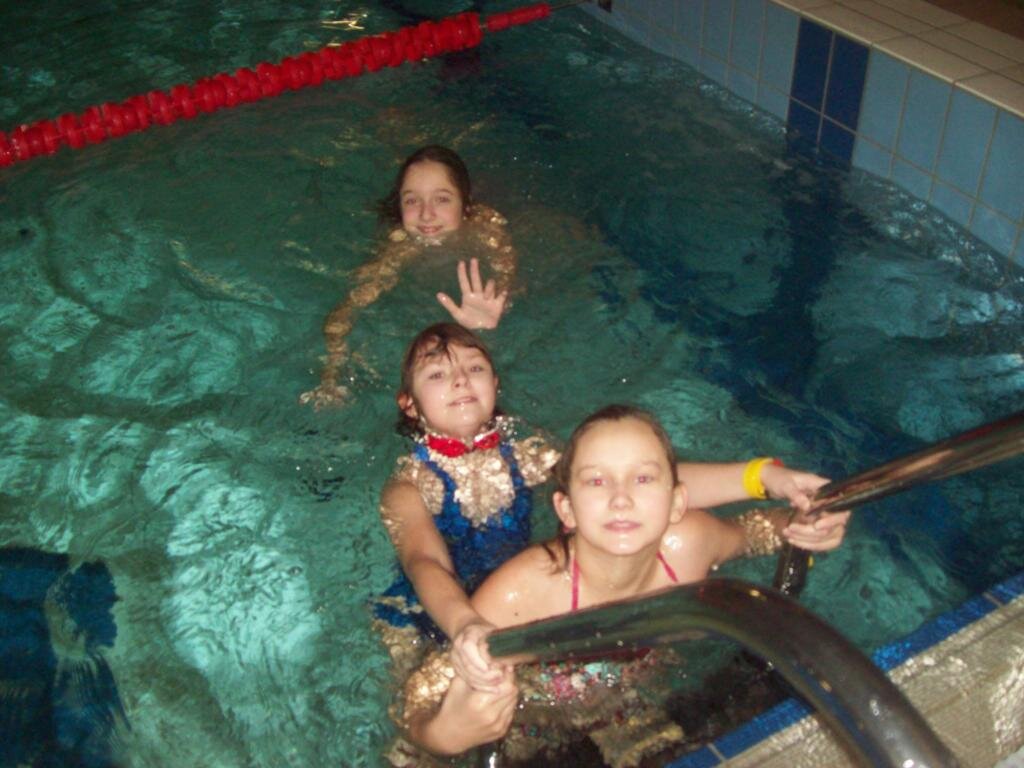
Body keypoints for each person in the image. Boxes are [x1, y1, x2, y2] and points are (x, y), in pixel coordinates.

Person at [370, 325, 837, 702]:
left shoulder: (526, 453)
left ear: (496, 384)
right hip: (431, 613)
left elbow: (636, 481)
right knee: (427, 699)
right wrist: (463, 624)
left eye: (475, 367)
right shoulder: (408, 485)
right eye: (437, 374)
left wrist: (761, 478)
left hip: (519, 595)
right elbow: (423, 561)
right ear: (408, 404)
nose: (460, 380)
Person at [396, 404, 850, 767]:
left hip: (632, 701)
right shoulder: (523, 593)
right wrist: (443, 735)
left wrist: (803, 527)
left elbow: (755, 532)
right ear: (566, 510)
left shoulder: (687, 544)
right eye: (596, 480)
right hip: (537, 720)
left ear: (677, 502)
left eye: (643, 478)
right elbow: (420, 697)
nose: (621, 498)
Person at [300, 145, 514, 409]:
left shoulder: (489, 233)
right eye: (412, 200)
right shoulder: (400, 246)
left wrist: (485, 328)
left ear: (465, 204)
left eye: (442, 199)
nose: (426, 214)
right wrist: (331, 373)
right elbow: (345, 311)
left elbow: (510, 284)